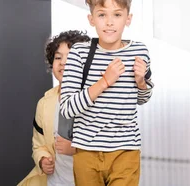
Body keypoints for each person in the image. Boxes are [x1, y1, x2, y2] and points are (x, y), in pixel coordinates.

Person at [59, 0, 153, 185]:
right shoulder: (79, 53)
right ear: (91, 19)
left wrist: (141, 82)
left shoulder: (140, 51)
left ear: (128, 18)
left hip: (126, 151)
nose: (109, 22)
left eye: (117, 15)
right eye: (102, 15)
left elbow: (142, 99)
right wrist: (104, 81)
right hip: (86, 152)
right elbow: (67, 108)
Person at [18, 30, 90, 186]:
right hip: (54, 182)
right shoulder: (44, 103)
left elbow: (108, 146)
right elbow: (39, 145)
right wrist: (43, 159)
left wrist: (76, 149)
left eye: (71, 57)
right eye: (58, 57)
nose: (63, 62)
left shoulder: (94, 98)